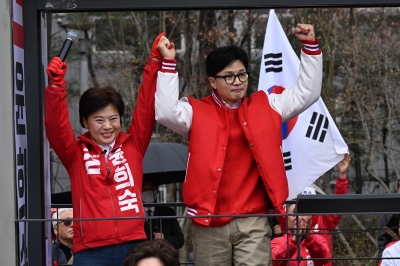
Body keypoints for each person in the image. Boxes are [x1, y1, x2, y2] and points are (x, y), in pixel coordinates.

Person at [155, 23, 322, 266]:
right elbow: (166, 113)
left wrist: (309, 47)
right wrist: (168, 64)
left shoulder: (268, 104)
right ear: (213, 81)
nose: (238, 82)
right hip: (209, 220)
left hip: (253, 219)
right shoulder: (196, 111)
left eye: (242, 74)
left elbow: (307, 93)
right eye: (229, 76)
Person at [44, 33, 165, 266]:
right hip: (91, 250)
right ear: (85, 121)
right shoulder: (74, 153)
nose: (108, 126)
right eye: (99, 120)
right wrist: (56, 87)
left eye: (113, 118)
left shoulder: (134, 144)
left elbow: (146, 106)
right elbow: (55, 126)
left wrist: (154, 62)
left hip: (135, 246)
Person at [142, 179, 184, 249]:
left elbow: (179, 239)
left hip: (162, 256)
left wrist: (164, 239)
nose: (147, 192)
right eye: (144, 189)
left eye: (151, 189)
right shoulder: (133, 213)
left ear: (157, 190)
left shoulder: (168, 212)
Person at [378, 180, 400, 258]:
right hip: (394, 257)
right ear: (398, 191)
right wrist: (381, 260)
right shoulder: (391, 213)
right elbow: (383, 240)